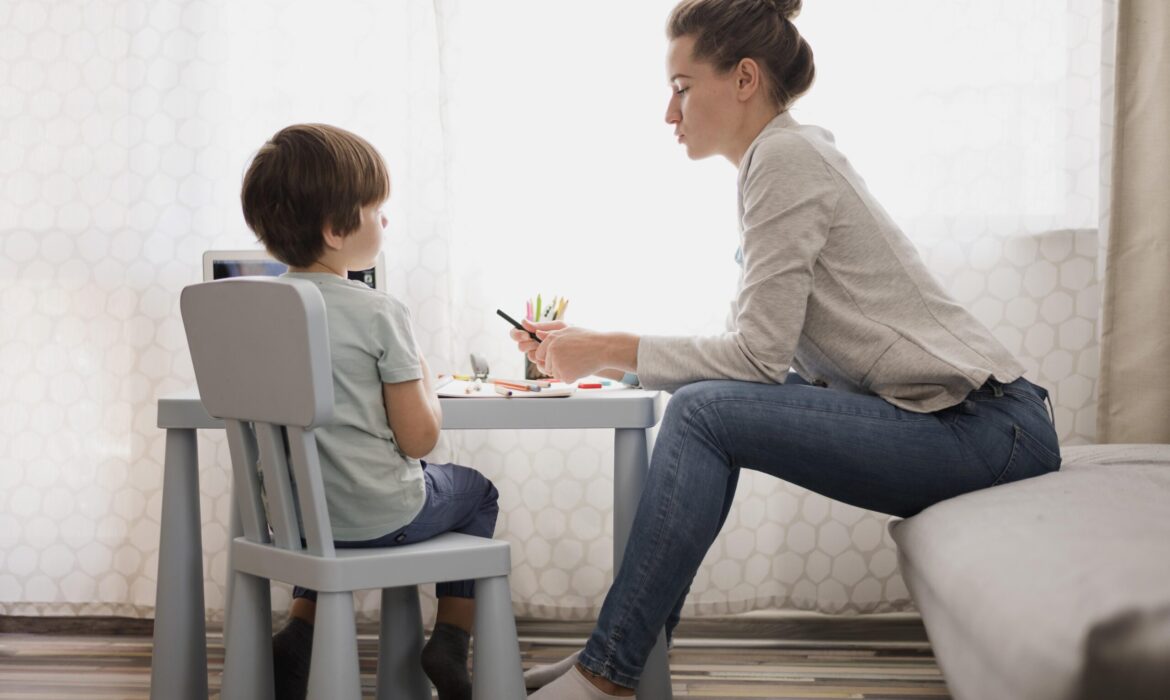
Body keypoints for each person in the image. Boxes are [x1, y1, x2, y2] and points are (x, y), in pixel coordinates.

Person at [514, 0, 1062, 697]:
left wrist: (608, 349)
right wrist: (597, 351)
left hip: (985, 427)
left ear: (744, 79)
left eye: (682, 87)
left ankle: (609, 669)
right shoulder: (777, 161)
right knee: (706, 406)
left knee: (706, 411)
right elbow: (750, 356)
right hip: (968, 423)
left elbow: (755, 361)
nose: (668, 112)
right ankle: (624, 653)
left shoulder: (786, 156)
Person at [240, 123, 497, 700]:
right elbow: (419, 439)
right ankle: (452, 638)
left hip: (296, 524)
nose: (386, 222)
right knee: (477, 491)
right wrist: (425, 378)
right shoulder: (380, 312)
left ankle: (301, 632)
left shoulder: (257, 314)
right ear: (336, 230)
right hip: (384, 517)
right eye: (378, 210)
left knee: (323, 494)